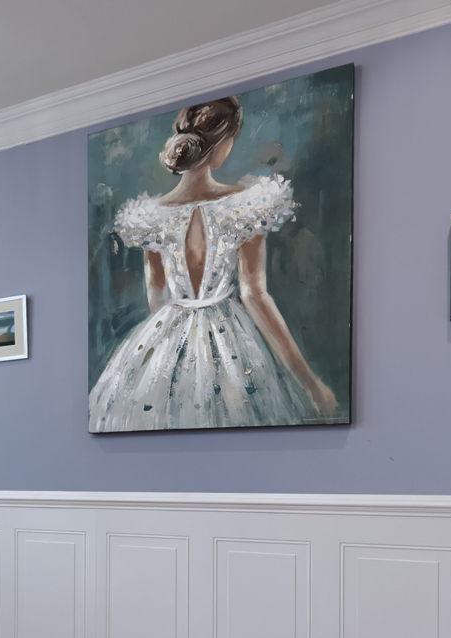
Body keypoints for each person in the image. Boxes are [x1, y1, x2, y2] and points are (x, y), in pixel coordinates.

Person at [88, 95, 338, 431]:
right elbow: (254, 295)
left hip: (166, 336)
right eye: (231, 140)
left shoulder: (150, 216)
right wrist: (309, 382)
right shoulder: (246, 205)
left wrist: (169, 350)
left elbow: (156, 297)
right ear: (221, 143)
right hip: (231, 336)